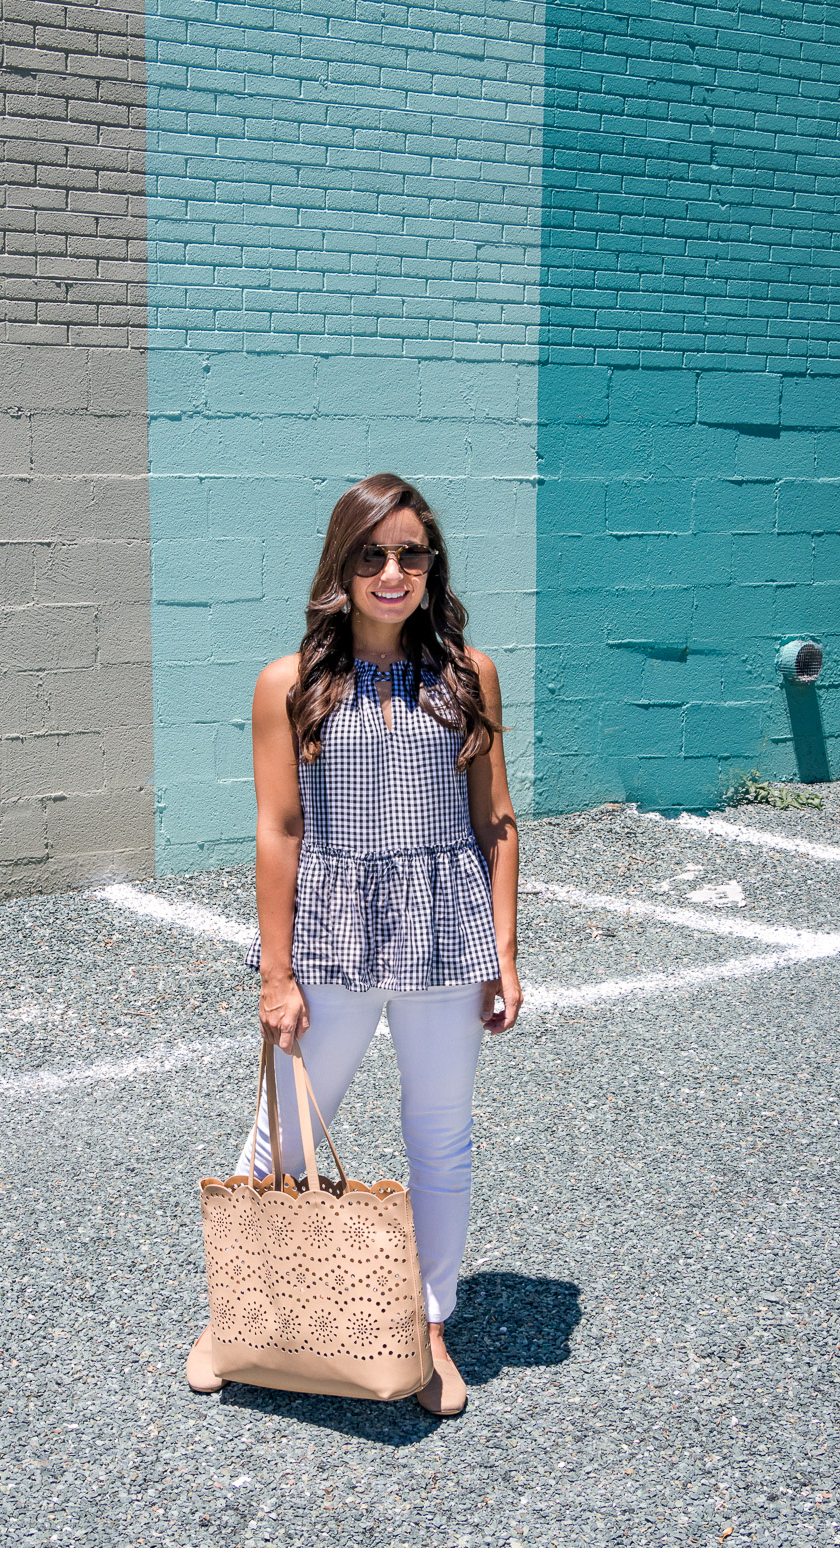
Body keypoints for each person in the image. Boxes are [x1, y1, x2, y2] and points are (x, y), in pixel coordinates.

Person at [186, 472, 522, 1416]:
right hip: (331, 932)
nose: (392, 571)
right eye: (372, 554)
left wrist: (503, 950)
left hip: (445, 935)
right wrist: (276, 971)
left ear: (432, 565)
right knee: (285, 1131)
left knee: (441, 1140)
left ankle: (429, 1327)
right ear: (342, 566)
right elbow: (279, 831)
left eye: (410, 554)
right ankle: (241, 1317)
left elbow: (494, 822)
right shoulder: (287, 684)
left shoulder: (468, 673)